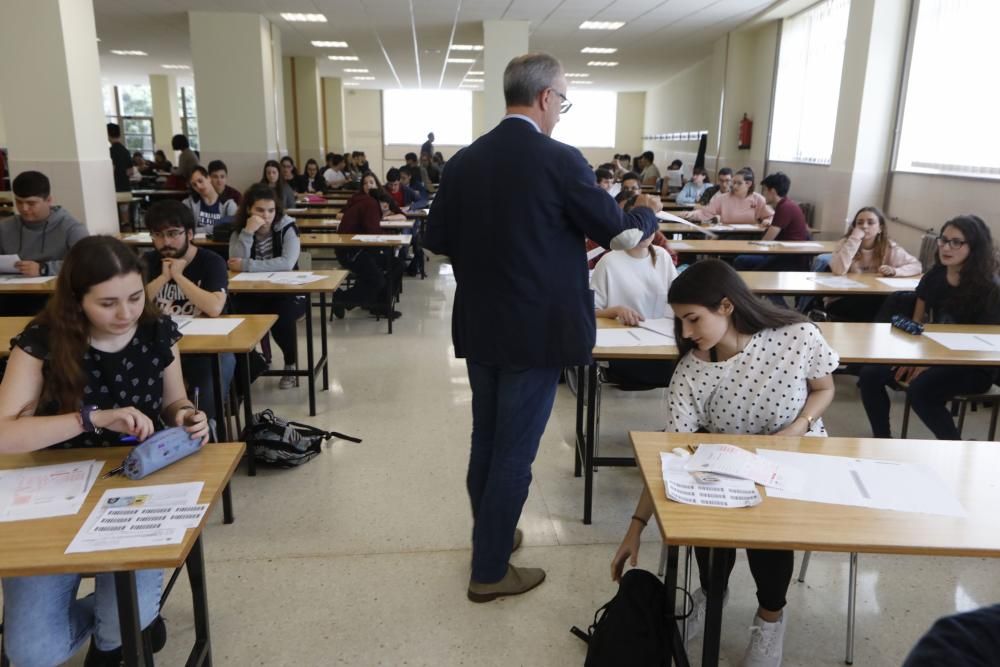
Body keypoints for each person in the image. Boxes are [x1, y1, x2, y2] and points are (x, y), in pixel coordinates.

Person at [424, 52, 660, 603]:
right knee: (515, 452)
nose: (561, 111)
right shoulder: (561, 160)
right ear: (547, 98)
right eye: (564, 100)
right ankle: (488, 571)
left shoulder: (463, 162)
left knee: (487, 440)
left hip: (481, 324)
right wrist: (647, 213)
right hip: (536, 331)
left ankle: (495, 537)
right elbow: (623, 236)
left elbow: (434, 241)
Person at [612, 259, 838, 667]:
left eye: (693, 319)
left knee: (767, 538)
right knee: (705, 528)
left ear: (727, 306)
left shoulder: (796, 337)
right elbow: (670, 455)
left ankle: (770, 619)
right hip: (728, 468)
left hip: (792, 461)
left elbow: (823, 387)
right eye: (680, 322)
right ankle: (711, 595)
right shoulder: (691, 373)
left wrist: (800, 426)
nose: (685, 333)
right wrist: (636, 526)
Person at [0, 235, 210, 667]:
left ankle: (127, 619)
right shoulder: (42, 341)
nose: (126, 313)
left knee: (120, 628)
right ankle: (129, 616)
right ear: (76, 301)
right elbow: (4, 434)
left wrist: (189, 415)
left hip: (136, 481)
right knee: (32, 653)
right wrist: (92, 417)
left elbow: (175, 401)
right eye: (108, 303)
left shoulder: (155, 330)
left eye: (135, 297)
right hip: (53, 486)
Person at [858, 215, 1000, 440]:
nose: (946, 247)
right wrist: (914, 358)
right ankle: (882, 438)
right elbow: (918, 324)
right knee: (870, 374)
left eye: (956, 242)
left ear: (975, 247)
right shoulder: (935, 275)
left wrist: (929, 363)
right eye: (943, 240)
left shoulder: (990, 289)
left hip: (972, 366)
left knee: (921, 391)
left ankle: (955, 446)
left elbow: (985, 345)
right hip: (928, 354)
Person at [142, 199, 234, 424]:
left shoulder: (211, 261)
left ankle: (204, 424)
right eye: (158, 235)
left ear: (190, 233)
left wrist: (179, 277)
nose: (166, 242)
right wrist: (164, 277)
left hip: (205, 347)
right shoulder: (148, 261)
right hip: (158, 346)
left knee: (219, 366)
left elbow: (214, 307)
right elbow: (134, 304)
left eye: (173, 233)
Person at [227, 183, 305, 389]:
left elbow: (287, 263)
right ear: (248, 210)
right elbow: (234, 261)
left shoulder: (288, 227)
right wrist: (248, 233)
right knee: (235, 319)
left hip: (286, 292)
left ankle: (290, 365)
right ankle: (252, 363)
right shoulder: (240, 231)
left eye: (271, 210)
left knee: (283, 319)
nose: (266, 216)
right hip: (250, 292)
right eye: (260, 210)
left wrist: (248, 265)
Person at [591, 224, 677, 386]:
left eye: (650, 226)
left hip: (661, 344)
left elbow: (678, 298)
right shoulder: (609, 261)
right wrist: (616, 311)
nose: (645, 232)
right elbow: (589, 310)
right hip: (623, 347)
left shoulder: (662, 256)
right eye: (638, 227)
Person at [824, 206, 922, 321]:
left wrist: (895, 271)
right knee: (872, 306)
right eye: (859, 223)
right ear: (854, 226)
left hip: (875, 296)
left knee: (902, 301)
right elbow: (838, 270)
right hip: (843, 297)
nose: (865, 226)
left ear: (880, 228)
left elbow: (916, 266)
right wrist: (855, 239)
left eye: (870, 223)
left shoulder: (889, 246)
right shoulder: (845, 244)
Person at [332, 188, 403, 320]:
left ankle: (380, 305)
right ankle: (342, 298)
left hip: (360, 249)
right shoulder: (371, 205)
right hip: (352, 252)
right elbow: (374, 232)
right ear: (382, 202)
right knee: (378, 280)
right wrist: (391, 241)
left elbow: (372, 232)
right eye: (385, 207)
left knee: (397, 264)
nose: (385, 211)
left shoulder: (366, 202)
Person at [0, 171, 87, 278]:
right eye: (19, 202)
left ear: (49, 200)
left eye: (31, 203)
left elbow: (86, 263)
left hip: (53, 290)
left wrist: (44, 268)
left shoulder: (72, 228)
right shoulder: (5, 227)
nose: (24, 208)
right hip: (10, 289)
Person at [732, 171, 809, 271]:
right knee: (744, 256)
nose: (763, 194)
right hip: (784, 252)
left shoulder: (785, 207)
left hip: (788, 256)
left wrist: (751, 246)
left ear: (772, 191)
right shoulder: (787, 204)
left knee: (741, 260)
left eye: (764, 190)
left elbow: (767, 239)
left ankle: (747, 285)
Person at [686, 166, 773, 227]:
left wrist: (767, 221)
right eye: (734, 182)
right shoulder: (722, 198)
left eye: (739, 183)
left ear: (748, 184)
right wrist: (693, 214)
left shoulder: (758, 199)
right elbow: (706, 213)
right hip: (727, 235)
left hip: (751, 236)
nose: (734, 186)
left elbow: (770, 216)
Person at [182, 166, 238, 234]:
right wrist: (218, 226)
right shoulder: (188, 203)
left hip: (221, 244)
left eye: (200, 181)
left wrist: (197, 230)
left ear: (208, 178)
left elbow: (232, 228)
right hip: (196, 243)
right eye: (194, 185)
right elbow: (186, 229)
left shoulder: (229, 204)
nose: (199, 186)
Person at [106, 123, 133, 193]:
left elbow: (111, 170)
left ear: (107, 134)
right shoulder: (125, 151)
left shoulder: (110, 152)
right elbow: (130, 172)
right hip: (126, 188)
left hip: (115, 188)